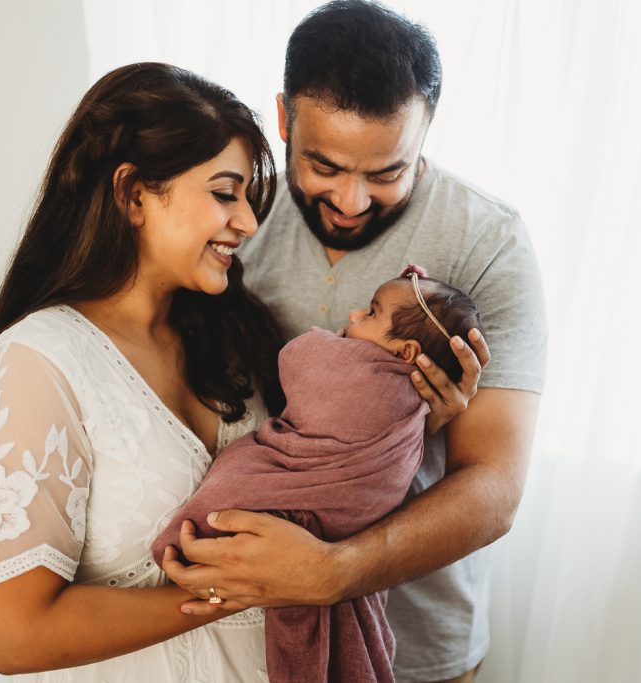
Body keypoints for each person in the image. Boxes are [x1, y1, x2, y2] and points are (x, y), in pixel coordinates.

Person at [165, 2, 548, 682]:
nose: (351, 201)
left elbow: (495, 485)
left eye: (386, 173)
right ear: (284, 120)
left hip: (420, 651)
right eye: (325, 166)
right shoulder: (238, 219)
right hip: (246, 637)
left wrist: (333, 571)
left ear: (426, 131)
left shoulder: (488, 242)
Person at [0, 62, 291, 680]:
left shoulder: (236, 337)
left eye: (247, 198)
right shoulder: (42, 362)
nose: (247, 222)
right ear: (133, 194)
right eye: (225, 193)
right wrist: (236, 590)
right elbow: (16, 636)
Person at [152, 266, 485, 683]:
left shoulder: (379, 382)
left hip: (423, 619)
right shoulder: (236, 258)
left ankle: (197, 536)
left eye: (370, 313)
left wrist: (332, 572)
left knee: (243, 480)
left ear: (406, 353)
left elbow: (298, 359)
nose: (353, 315)